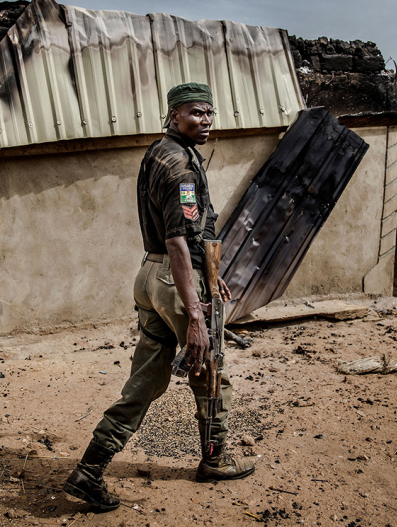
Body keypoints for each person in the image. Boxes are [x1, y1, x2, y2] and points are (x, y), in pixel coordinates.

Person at [63, 83, 255, 511]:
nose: (204, 120)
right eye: (195, 113)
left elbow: (189, 237)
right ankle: (215, 459)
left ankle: (89, 471)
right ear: (173, 114)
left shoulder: (160, 151)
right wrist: (198, 315)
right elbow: (177, 241)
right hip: (173, 279)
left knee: (147, 379)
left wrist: (212, 273)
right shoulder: (182, 169)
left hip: (150, 276)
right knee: (209, 371)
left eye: (209, 113)